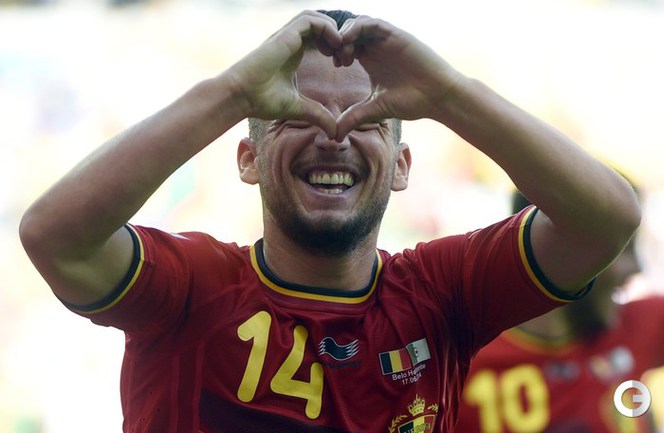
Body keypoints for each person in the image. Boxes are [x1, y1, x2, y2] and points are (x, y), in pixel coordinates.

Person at [18, 9, 640, 433]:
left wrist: (449, 94)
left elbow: (605, 221)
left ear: (401, 166)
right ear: (247, 159)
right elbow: (55, 237)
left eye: (366, 118)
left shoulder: (445, 293)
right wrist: (232, 92)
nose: (334, 135)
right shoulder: (190, 287)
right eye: (298, 112)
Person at [455, 190, 664, 433]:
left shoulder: (633, 322)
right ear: (556, 251)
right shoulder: (460, 368)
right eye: (622, 249)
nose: (638, 267)